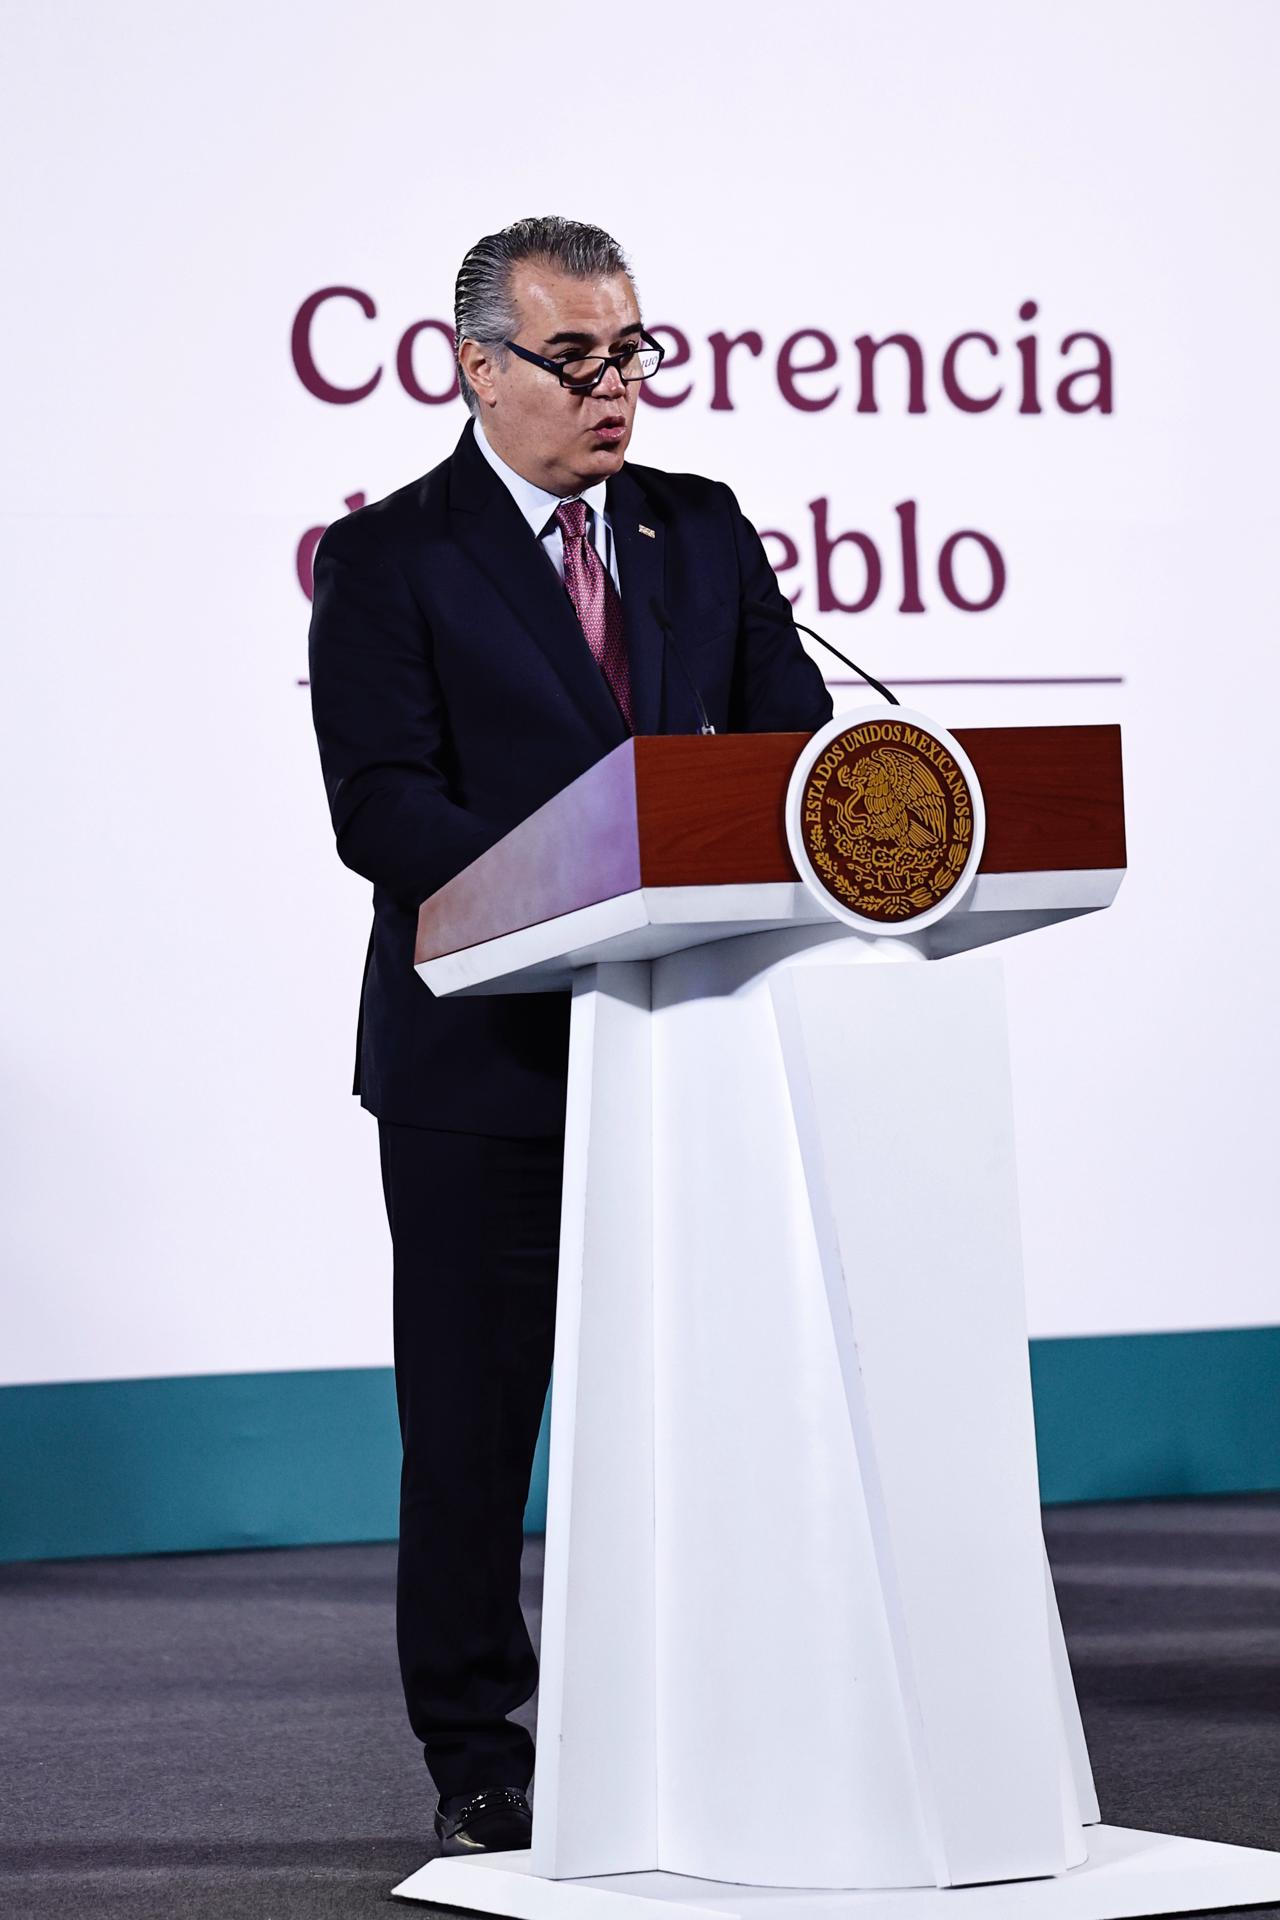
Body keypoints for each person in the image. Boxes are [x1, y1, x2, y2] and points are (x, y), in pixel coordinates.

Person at [307, 216, 832, 1857]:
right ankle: (478, 1749)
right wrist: (580, 878)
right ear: (475, 365)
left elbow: (789, 747)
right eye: (578, 360)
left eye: (634, 354)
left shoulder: (698, 528)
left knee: (706, 1400)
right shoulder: (391, 557)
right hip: (485, 1066)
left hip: (685, 1047)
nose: (618, 391)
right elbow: (383, 809)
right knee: (473, 1427)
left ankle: (710, 1709)